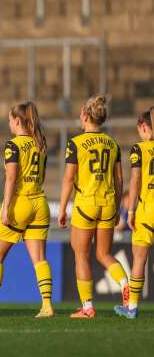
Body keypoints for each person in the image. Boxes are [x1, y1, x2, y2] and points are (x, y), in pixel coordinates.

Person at [0, 102, 53, 318]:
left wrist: (6, 207)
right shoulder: (40, 144)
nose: (9, 124)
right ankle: (46, 305)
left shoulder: (13, 145)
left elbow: (12, 178)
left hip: (20, 203)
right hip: (40, 203)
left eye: (9, 120)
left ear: (17, 120)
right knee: (40, 258)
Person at [58, 95, 128, 318]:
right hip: (108, 204)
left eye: (81, 113)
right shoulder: (112, 143)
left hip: (86, 204)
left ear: (87, 116)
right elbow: (119, 180)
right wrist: (117, 208)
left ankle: (87, 308)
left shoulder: (76, 143)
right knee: (104, 254)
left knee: (81, 255)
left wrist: (61, 209)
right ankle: (126, 287)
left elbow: (69, 179)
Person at [115, 108, 154, 319]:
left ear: (143, 127)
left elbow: (136, 180)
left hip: (147, 210)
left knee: (139, 259)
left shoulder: (139, 149)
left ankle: (132, 307)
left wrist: (130, 211)